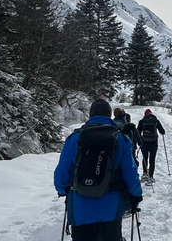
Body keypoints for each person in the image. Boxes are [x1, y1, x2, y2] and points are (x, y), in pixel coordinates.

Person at [54, 99, 143, 241]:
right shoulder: (121, 139)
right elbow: (130, 174)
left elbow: (61, 176)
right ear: (109, 116)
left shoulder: (74, 138)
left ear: (90, 115)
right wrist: (136, 195)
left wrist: (62, 190)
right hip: (111, 209)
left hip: (80, 209)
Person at [137, 108, 165, 183]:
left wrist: (139, 141)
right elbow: (162, 131)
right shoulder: (156, 121)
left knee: (145, 158)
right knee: (152, 160)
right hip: (154, 143)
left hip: (144, 142)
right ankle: (151, 176)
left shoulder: (142, 121)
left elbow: (138, 132)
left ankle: (145, 174)